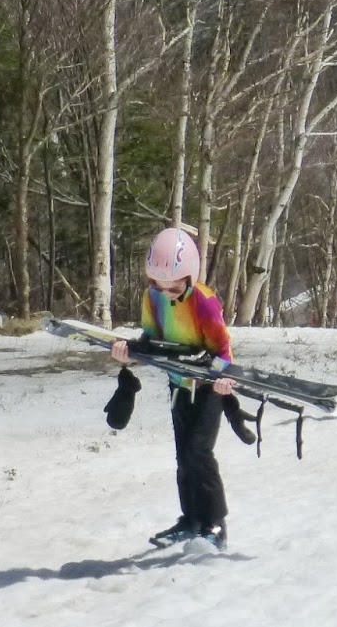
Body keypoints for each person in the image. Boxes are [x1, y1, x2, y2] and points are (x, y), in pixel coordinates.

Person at [110, 225, 237, 550]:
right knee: (183, 456)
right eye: (158, 285)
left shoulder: (204, 302)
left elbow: (223, 351)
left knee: (199, 452)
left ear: (189, 277)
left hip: (208, 388)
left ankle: (215, 523)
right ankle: (191, 519)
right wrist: (128, 353)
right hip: (179, 384)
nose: (164, 292)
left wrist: (223, 378)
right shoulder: (151, 297)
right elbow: (152, 341)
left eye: (171, 288)